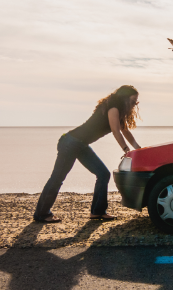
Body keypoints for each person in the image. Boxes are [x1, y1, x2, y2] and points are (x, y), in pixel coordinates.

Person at [33, 85, 142, 223]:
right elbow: (116, 131)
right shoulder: (113, 107)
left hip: (79, 144)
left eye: (136, 102)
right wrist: (126, 150)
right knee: (57, 178)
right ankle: (41, 213)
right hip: (70, 142)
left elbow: (125, 131)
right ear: (125, 98)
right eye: (133, 101)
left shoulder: (118, 111)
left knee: (103, 174)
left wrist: (138, 148)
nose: (134, 105)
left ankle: (98, 212)